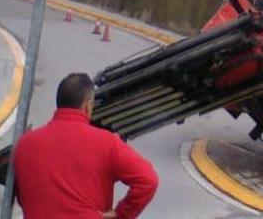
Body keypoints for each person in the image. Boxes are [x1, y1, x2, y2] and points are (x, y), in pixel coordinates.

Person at [13, 73, 158, 218]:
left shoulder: (25, 145)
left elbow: (23, 196)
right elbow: (148, 179)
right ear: (88, 105)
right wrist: (121, 213)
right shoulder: (106, 142)